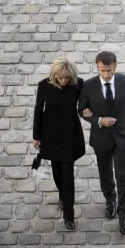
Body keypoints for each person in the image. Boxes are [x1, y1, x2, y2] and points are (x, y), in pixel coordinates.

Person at [77, 51, 125, 235]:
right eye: (103, 71)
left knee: (123, 176)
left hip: (123, 137)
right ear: (97, 67)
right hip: (101, 138)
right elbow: (82, 109)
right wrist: (98, 120)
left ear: (115, 67)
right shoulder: (89, 86)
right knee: (105, 174)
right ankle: (110, 199)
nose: (106, 75)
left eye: (109, 71)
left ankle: (123, 217)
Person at [33, 57, 86, 231]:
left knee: (68, 175)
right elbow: (38, 112)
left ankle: (69, 216)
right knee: (57, 173)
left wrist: (88, 110)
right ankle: (62, 196)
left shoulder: (79, 85)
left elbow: (85, 105)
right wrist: (36, 137)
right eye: (60, 78)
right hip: (50, 135)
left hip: (70, 135)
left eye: (66, 78)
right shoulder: (44, 86)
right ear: (54, 75)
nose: (63, 81)